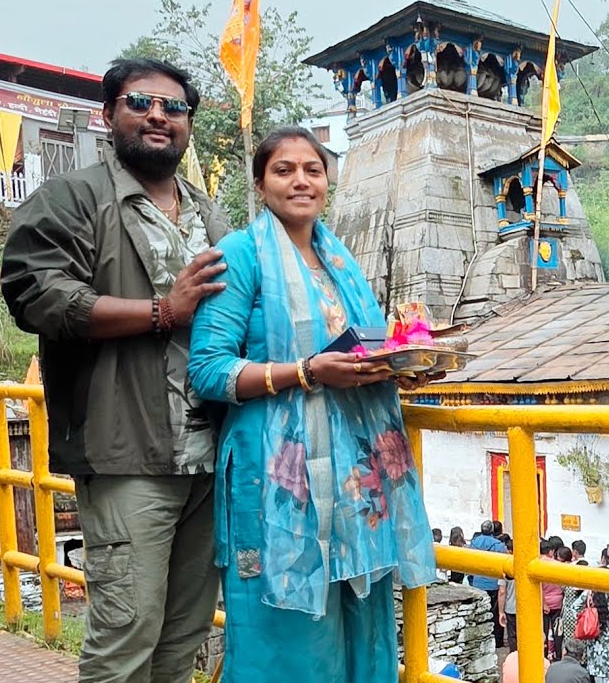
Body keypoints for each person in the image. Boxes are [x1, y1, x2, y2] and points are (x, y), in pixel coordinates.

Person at [0, 58, 228, 682]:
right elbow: (35, 293)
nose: (158, 115)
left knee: (182, 642)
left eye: (173, 107)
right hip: (127, 453)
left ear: (188, 125)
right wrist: (164, 310)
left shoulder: (208, 215)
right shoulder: (72, 200)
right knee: (124, 639)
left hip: (208, 455)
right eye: (140, 102)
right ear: (109, 114)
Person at [186, 127, 438, 681]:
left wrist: (396, 368)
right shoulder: (240, 255)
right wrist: (304, 373)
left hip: (351, 482)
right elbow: (208, 369)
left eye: (313, 169)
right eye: (284, 169)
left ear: (328, 182)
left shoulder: (337, 259)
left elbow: (359, 347)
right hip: (279, 478)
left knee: (358, 627)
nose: (301, 180)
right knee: (287, 642)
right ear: (260, 183)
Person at [566, 583, 609, 681]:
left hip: (594, 640)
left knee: (598, 676)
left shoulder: (589, 592)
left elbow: (574, 607)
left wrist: (584, 619)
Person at [468, 520, 509, 647]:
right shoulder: (499, 546)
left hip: (477, 583)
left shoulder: (474, 543)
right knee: (496, 614)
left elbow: (469, 562)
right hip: (493, 583)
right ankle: (497, 641)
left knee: (479, 613)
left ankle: (480, 639)